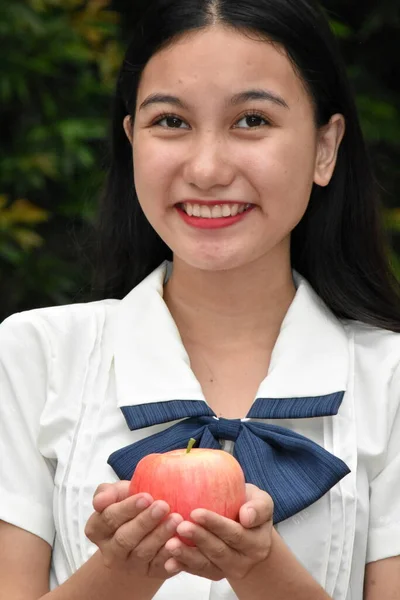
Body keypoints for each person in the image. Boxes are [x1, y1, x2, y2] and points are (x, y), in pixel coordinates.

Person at [0, 0, 399, 598]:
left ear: (325, 148)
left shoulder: (391, 379)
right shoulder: (32, 355)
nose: (207, 168)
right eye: (172, 122)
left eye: (252, 121)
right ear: (131, 139)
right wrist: (121, 570)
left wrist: (261, 568)